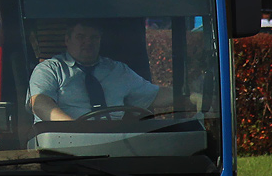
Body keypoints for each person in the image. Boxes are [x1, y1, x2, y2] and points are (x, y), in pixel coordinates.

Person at [28, 19, 172, 122]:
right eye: (81, 37)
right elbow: (40, 103)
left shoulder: (117, 70)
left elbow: (155, 95)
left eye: (94, 37)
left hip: (113, 144)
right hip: (62, 147)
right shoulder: (50, 69)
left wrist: (190, 97)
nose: (88, 42)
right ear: (67, 40)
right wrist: (74, 130)